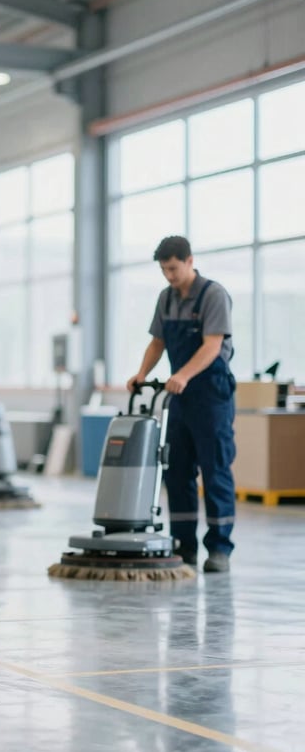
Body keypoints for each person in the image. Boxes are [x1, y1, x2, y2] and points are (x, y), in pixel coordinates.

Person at [127, 236, 236, 574]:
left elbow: (212, 346)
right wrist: (142, 373)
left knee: (215, 470)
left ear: (189, 261)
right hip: (181, 395)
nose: (169, 276)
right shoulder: (166, 298)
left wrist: (184, 375)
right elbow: (157, 341)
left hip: (211, 394)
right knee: (177, 470)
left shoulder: (213, 295)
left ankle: (219, 549)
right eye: (163, 270)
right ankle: (184, 545)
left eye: (173, 268)